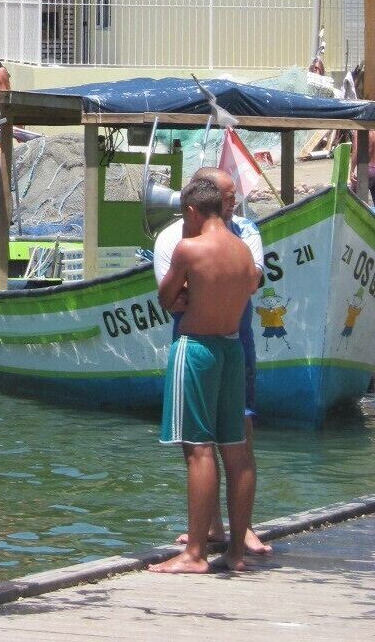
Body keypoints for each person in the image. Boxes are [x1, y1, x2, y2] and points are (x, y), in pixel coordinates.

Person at [152, 167, 270, 558]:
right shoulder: (243, 250)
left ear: (191, 210)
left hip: (198, 347)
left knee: (198, 449)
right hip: (233, 346)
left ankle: (195, 553)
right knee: (236, 445)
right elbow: (248, 286)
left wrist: (187, 284)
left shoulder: (187, 248)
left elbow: (169, 299)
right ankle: (237, 550)